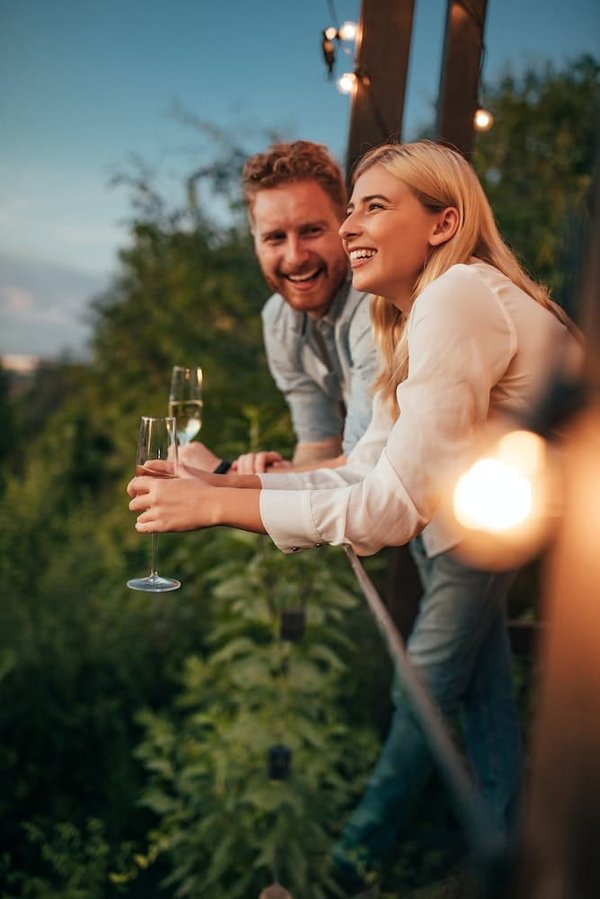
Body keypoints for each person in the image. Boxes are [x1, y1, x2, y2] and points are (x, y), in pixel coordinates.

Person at [128, 141, 578, 897]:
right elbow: (360, 465)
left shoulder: (452, 297)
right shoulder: (406, 311)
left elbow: (384, 508)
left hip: (505, 523)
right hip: (489, 509)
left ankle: (344, 876)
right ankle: (513, 859)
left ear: (443, 224)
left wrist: (216, 501)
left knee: (425, 686)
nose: (342, 232)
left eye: (367, 209)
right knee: (485, 689)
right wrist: (226, 485)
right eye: (353, 209)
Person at [182, 139, 378, 476]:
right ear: (255, 241)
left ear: (346, 225)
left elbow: (367, 471)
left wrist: (226, 474)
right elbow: (318, 445)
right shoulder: (277, 319)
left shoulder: (377, 303)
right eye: (275, 238)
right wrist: (274, 477)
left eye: (312, 231)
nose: (295, 257)